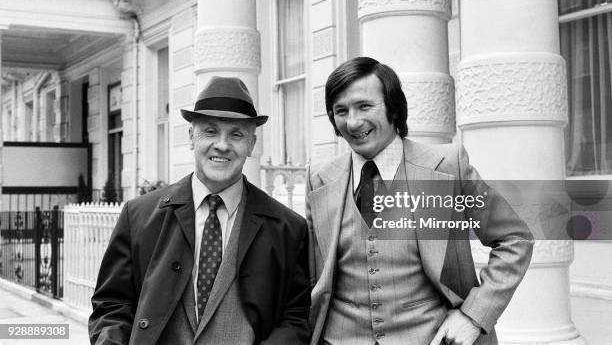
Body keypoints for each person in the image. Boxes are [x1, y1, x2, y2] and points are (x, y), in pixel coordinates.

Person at [306, 57, 533, 345]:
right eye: (341, 110)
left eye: (365, 106)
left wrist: (473, 316)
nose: (353, 122)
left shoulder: (448, 166)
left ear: (393, 107)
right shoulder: (320, 177)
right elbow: (311, 274)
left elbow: (515, 240)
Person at [89, 76, 310, 344]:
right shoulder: (139, 217)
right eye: (210, 131)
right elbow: (111, 306)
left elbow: (297, 317)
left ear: (252, 144)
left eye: (236, 134)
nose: (222, 144)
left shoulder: (287, 228)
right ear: (191, 137)